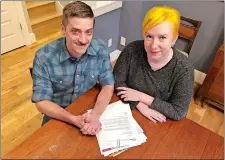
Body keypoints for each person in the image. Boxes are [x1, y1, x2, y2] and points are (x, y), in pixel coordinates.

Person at [31, 1, 114, 135]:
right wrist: (74, 119)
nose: (83, 40)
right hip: (57, 114)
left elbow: (108, 85)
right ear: (63, 29)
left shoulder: (100, 49)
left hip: (88, 109)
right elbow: (41, 102)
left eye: (88, 32)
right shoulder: (44, 57)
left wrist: (96, 115)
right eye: (75, 32)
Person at [113, 6, 194, 123]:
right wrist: (139, 104)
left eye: (162, 37)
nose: (154, 45)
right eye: (149, 36)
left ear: (174, 39)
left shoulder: (184, 69)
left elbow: (178, 111)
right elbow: (117, 81)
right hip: (128, 111)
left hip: (159, 122)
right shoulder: (131, 50)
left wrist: (141, 96)